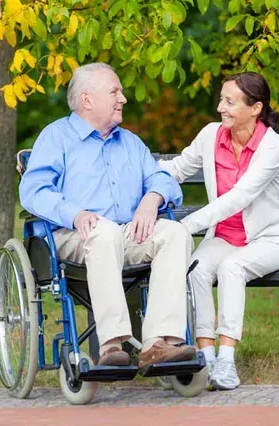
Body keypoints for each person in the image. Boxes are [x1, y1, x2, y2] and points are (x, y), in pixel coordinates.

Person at [19, 63, 196, 370]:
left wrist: (152, 200)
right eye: (115, 91)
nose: (123, 98)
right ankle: (112, 344)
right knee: (104, 232)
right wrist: (75, 213)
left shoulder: (129, 142)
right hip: (73, 236)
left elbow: (163, 180)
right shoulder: (56, 137)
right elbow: (33, 191)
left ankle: (160, 343)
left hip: (124, 233)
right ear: (87, 100)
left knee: (174, 233)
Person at [159, 72, 279, 390]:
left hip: (269, 240)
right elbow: (178, 169)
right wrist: (136, 168)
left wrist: (188, 225)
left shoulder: (272, 146)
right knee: (195, 270)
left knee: (231, 268)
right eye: (221, 99)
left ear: (256, 108)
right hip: (224, 237)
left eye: (230, 101)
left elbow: (240, 197)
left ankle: (226, 362)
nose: (221, 107)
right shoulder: (210, 136)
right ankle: (205, 359)